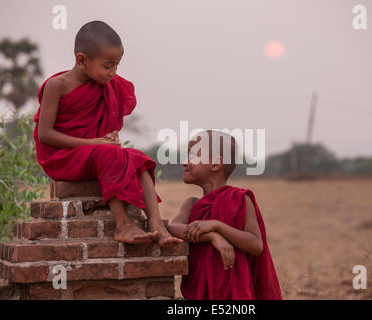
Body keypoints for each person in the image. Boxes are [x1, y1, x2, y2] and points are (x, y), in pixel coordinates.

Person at [34, 20, 182, 247]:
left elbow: (102, 127)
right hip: (63, 156)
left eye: (117, 66)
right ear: (81, 60)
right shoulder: (57, 85)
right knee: (107, 153)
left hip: (92, 152)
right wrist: (93, 142)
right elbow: (45, 134)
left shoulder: (106, 86)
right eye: (107, 66)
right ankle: (122, 225)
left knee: (139, 159)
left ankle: (156, 224)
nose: (113, 73)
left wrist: (106, 139)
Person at [168, 130, 282, 299]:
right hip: (198, 291)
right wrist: (213, 236)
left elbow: (256, 245)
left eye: (192, 156)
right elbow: (173, 228)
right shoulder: (192, 204)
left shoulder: (240, 199)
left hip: (234, 293)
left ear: (215, 164)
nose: (185, 162)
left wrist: (217, 225)